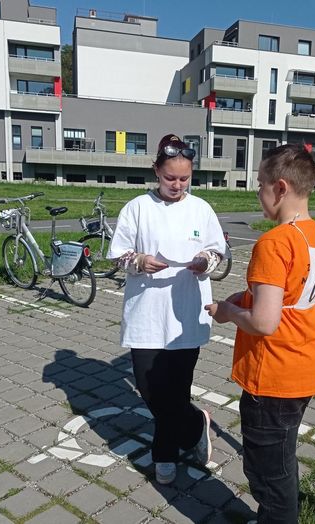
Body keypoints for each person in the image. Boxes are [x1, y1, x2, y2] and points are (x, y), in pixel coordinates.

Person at [205, 144, 315, 523]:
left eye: (260, 184)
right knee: (281, 456)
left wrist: (229, 312)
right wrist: (250, 297)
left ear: (280, 188)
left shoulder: (273, 242)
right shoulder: (314, 235)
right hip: (305, 363)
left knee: (267, 472)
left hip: (274, 374)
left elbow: (265, 323)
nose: (257, 192)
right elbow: (310, 295)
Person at [107, 133, 228, 484]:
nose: (177, 185)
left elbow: (217, 251)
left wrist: (205, 260)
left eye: (184, 178)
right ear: (156, 171)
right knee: (149, 388)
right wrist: (138, 260)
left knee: (177, 389)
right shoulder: (138, 207)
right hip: (147, 312)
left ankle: (164, 454)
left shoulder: (201, 208)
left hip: (185, 313)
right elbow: (118, 254)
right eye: (170, 177)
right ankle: (194, 426)